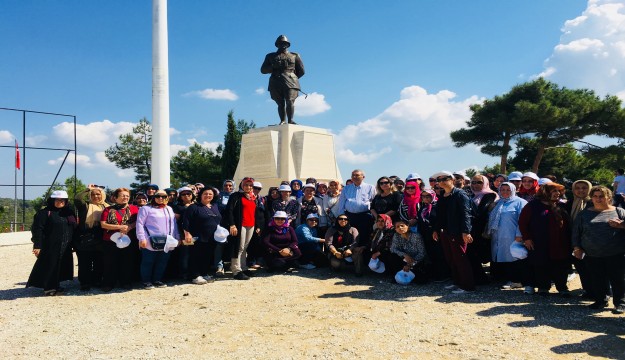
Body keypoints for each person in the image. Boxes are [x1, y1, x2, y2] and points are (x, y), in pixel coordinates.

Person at [572, 185, 625, 313]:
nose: (598, 199)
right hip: (592, 253)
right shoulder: (584, 214)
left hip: (615, 253)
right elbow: (576, 232)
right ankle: (600, 300)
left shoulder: (619, 211)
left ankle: (620, 303)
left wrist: (621, 225)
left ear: (608, 197)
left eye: (601, 196)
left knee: (618, 279)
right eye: (595, 196)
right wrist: (577, 247)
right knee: (597, 278)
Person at [519, 183, 571, 296]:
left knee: (560, 266)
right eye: (554, 191)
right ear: (545, 192)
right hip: (539, 242)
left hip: (559, 242)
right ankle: (543, 287)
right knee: (541, 265)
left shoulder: (561, 206)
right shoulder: (532, 206)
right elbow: (523, 223)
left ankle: (562, 288)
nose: (557, 193)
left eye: (558, 191)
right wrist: (527, 238)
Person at [431, 171, 475, 294]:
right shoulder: (442, 196)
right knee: (451, 258)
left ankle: (467, 285)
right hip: (446, 231)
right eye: (439, 180)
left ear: (452, 179)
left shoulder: (460, 194)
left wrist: (466, 231)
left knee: (460, 258)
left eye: (445, 179)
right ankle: (457, 281)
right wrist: (436, 229)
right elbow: (440, 216)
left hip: (457, 231)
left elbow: (466, 214)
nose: (442, 182)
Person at [27, 190, 76, 296]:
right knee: (50, 266)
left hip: (65, 246)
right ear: (52, 200)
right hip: (49, 246)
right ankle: (49, 288)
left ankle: (55, 285)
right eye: (57, 200)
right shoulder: (44, 213)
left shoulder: (68, 213)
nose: (60, 202)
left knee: (60, 266)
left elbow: (73, 228)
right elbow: (38, 230)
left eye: (63, 200)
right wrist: (37, 246)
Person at [486, 182, 528, 289]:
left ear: (513, 190)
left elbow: (523, 220)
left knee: (514, 257)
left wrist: (519, 234)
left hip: (512, 235)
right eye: (502, 189)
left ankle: (517, 280)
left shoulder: (520, 202)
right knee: (502, 256)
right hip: (498, 235)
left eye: (508, 190)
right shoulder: (498, 202)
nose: (505, 192)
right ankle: (505, 278)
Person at [136, 189, 179, 289]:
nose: (161, 198)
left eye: (163, 196)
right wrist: (142, 238)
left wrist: (177, 237)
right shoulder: (146, 209)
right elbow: (140, 224)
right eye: (158, 196)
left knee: (162, 261)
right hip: (150, 240)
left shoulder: (169, 209)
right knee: (148, 261)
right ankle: (146, 281)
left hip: (167, 240)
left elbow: (173, 224)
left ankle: (157, 279)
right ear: (154, 197)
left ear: (167, 198)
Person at [260, 34, 305, 125]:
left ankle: (290, 120)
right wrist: (273, 67)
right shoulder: (270, 56)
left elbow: (302, 71)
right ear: (277, 44)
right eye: (280, 43)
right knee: (280, 103)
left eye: (285, 43)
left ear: (288, 45)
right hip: (276, 81)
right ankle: (282, 120)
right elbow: (263, 70)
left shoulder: (295, 55)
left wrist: (293, 77)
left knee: (290, 100)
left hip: (291, 81)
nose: (283, 45)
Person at [100, 188, 139, 291]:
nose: (125, 197)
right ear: (115, 198)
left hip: (128, 240)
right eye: (122, 195)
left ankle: (125, 282)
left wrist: (129, 227)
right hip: (110, 240)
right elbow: (103, 224)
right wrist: (120, 227)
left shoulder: (134, 208)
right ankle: (108, 283)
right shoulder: (108, 209)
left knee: (127, 262)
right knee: (110, 262)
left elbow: (139, 221)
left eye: (127, 196)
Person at [182, 186, 221, 285]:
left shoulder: (215, 206)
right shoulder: (194, 207)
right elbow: (186, 221)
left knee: (207, 256)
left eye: (210, 194)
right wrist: (187, 233)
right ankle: (195, 275)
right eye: (205, 194)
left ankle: (204, 273)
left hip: (212, 237)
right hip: (197, 237)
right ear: (201, 195)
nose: (208, 195)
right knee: (195, 256)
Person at [74, 185, 108, 291]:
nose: (96, 196)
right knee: (85, 263)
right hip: (85, 237)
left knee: (99, 262)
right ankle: (85, 282)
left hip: (101, 238)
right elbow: (77, 198)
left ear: (102, 195)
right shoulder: (85, 206)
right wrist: (88, 189)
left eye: (98, 194)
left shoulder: (107, 207)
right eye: (93, 194)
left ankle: (96, 280)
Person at [564, 180, 594, 297]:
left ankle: (599, 292)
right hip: (573, 240)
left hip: (591, 242)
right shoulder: (569, 203)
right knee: (581, 268)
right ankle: (587, 290)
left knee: (594, 268)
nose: (581, 190)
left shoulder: (594, 203)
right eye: (578, 188)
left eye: (584, 188)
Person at [468, 174, 499, 284]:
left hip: (484, 231)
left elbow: (481, 213)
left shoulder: (489, 195)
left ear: (486, 183)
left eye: (479, 182)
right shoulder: (473, 196)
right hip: (475, 230)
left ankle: (484, 279)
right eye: (473, 182)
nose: (475, 185)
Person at [226, 177, 258, 280]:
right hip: (240, 225)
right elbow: (229, 211)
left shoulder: (253, 197)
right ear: (242, 185)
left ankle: (243, 267)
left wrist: (257, 226)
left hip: (250, 225)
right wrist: (232, 224)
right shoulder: (236, 196)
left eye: (250, 185)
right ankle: (236, 270)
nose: (248, 187)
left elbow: (254, 213)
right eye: (246, 185)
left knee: (245, 247)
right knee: (238, 247)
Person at [337, 169, 376, 249]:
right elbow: (341, 203)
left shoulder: (370, 187)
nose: (354, 177)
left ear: (363, 177)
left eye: (357, 175)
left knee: (364, 236)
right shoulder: (346, 188)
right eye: (353, 175)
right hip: (350, 216)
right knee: (349, 236)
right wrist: (341, 217)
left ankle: (363, 256)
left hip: (365, 216)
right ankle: (349, 256)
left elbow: (374, 202)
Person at [417, 189, 449, 282]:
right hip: (426, 234)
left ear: (433, 196)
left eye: (428, 196)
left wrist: (435, 230)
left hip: (437, 234)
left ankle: (444, 275)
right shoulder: (423, 208)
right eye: (423, 196)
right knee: (431, 254)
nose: (425, 198)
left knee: (440, 254)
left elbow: (440, 219)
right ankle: (435, 274)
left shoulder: (438, 206)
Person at [390, 219, 428, 284]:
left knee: (421, 280)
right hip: (405, 259)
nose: (400, 228)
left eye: (402, 225)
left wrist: (410, 264)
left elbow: (422, 253)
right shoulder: (396, 236)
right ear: (395, 229)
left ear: (408, 226)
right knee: (392, 256)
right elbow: (393, 249)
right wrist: (404, 255)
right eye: (397, 227)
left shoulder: (416, 236)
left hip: (417, 260)